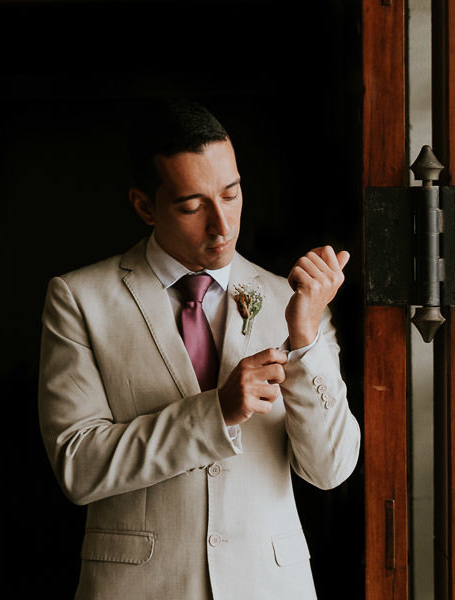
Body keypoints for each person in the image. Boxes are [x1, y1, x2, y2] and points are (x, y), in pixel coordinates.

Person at [37, 99, 361, 599]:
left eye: (231, 194)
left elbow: (330, 469)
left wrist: (305, 339)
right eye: (192, 206)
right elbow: (78, 466)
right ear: (145, 206)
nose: (222, 225)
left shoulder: (288, 300)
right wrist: (216, 413)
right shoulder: (80, 299)